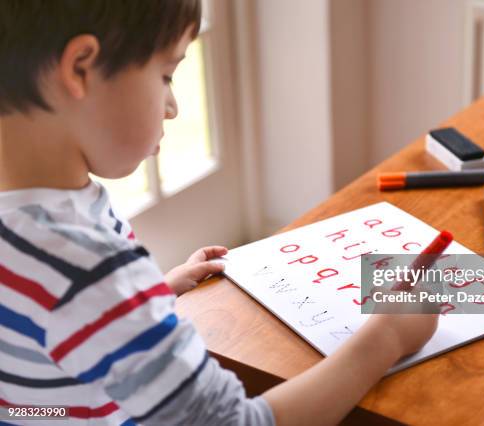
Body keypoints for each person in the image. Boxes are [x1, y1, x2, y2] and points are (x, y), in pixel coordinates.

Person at [0, 1, 438, 424]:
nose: (173, 107)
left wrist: (147, 297)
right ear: (81, 68)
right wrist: (386, 337)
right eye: (166, 75)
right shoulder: (87, 268)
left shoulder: (46, 220)